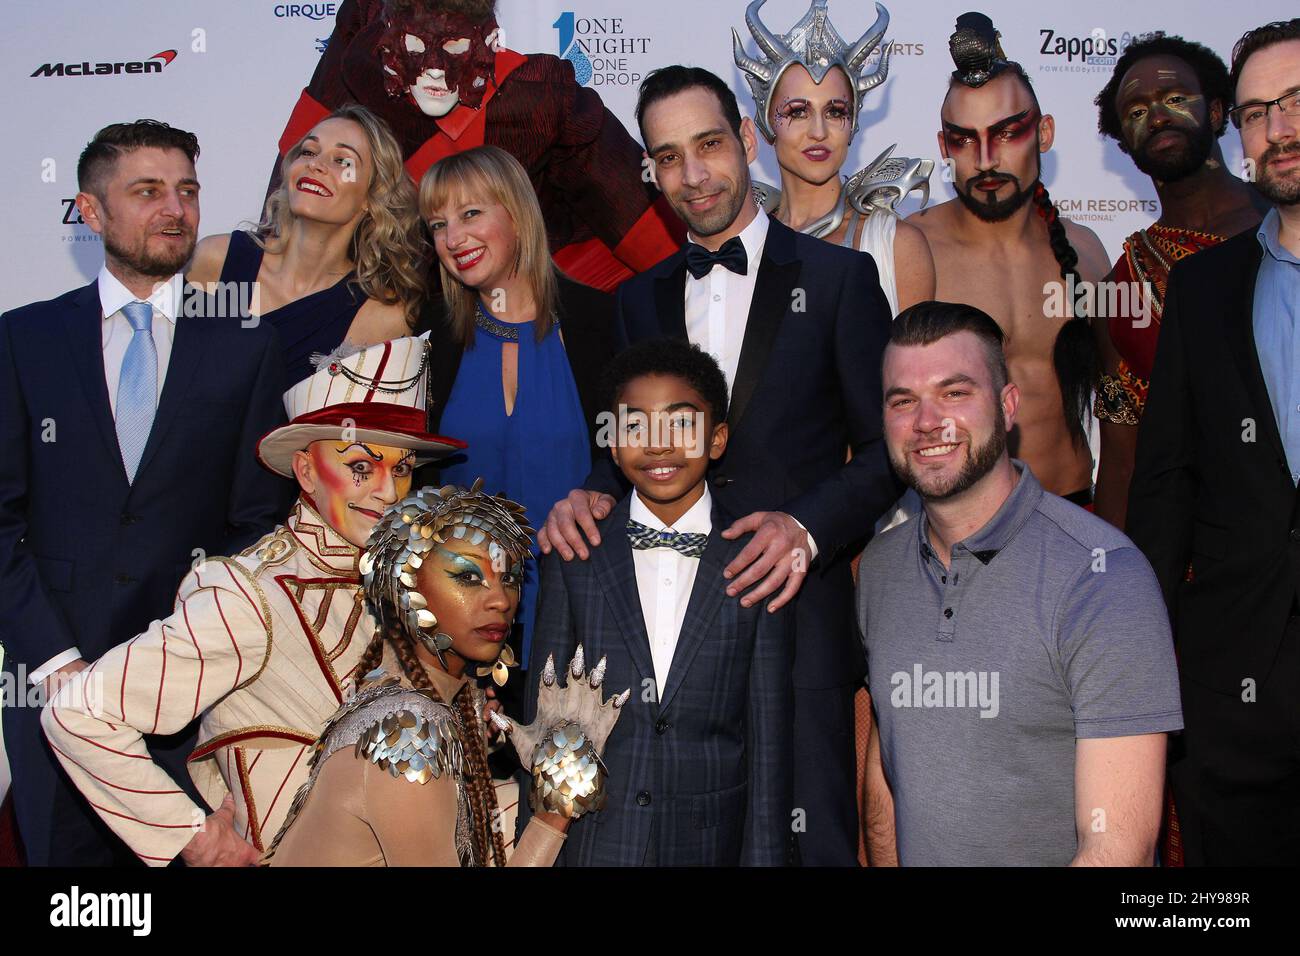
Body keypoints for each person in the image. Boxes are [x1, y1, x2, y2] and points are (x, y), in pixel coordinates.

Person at [540, 66, 895, 865]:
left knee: (809, 842)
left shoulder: (840, 282)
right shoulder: (638, 298)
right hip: (663, 638)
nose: (692, 176)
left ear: (744, 135)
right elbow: (627, 445)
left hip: (792, 613)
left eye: (707, 145)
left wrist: (806, 530)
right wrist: (586, 498)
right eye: (667, 158)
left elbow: (887, 454)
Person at [42, 336, 463, 865]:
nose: (387, 491)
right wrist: (188, 835)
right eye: (361, 466)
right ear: (305, 471)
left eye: (401, 469)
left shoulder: (403, 580)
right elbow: (80, 711)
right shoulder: (244, 594)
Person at [0, 120, 290, 865]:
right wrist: (56, 661)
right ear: (90, 213)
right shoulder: (21, 341)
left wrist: (198, 647)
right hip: (49, 683)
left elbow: (255, 526)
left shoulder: (246, 345)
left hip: (189, 694)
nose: (176, 209)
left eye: (187, 191)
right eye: (148, 191)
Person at [860, 301, 1182, 866]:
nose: (927, 421)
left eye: (956, 392)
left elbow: (1117, 848)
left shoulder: (1102, 577)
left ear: (1008, 407)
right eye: (902, 401)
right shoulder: (881, 569)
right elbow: (889, 769)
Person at [1126, 19, 1300, 866]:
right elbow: (1165, 488)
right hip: (1239, 693)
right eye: (1262, 112)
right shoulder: (1200, 289)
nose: (1281, 130)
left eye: (1298, 103)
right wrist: (1146, 668)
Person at [524, 339, 793, 865]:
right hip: (594, 839)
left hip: (710, 842)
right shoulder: (575, 553)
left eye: (681, 423)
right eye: (634, 425)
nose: (658, 444)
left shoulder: (760, 559)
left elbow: (768, 742)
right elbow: (545, 722)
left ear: (717, 439)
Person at [264, 482, 629, 866]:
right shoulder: (407, 734)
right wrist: (557, 803)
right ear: (405, 585)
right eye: (468, 577)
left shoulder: (428, 698)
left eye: (508, 577)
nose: (501, 599)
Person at [271, 0, 683, 292]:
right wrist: (272, 273)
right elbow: (297, 168)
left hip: (528, 294)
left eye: (454, 50)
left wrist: (696, 295)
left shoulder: (536, 94)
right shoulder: (359, 41)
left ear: (488, 42)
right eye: (416, 48)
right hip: (384, 297)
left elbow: (639, 221)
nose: (434, 69)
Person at [418, 145, 616, 674]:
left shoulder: (601, 321)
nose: (453, 239)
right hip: (457, 633)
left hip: (581, 617)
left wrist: (598, 493)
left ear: (518, 213)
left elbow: (629, 457)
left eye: (471, 214)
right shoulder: (431, 334)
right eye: (438, 224)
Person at [908, 13, 1111, 503]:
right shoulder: (910, 249)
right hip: (959, 526)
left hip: (1076, 511)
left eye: (1006, 133)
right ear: (943, 147)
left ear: (1044, 133)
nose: (985, 159)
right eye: (963, 139)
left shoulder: (1085, 250)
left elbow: (1123, 403)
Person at [1090, 34, 1269, 530]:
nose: (1159, 116)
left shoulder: (1285, 223)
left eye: (1173, 99)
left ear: (1215, 111)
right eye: (1137, 110)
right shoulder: (1122, 289)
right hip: (1206, 563)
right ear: (1124, 142)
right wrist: (1114, 583)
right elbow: (1123, 462)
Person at [188, 105, 426, 391]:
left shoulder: (379, 315)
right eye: (309, 152)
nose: (315, 164)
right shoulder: (218, 260)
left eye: (342, 160)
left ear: (371, 196)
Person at [732, 0, 935, 315]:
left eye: (835, 111)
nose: (818, 131)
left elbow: (919, 363)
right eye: (797, 112)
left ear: (852, 124)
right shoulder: (741, 240)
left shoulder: (895, 246)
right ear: (767, 121)